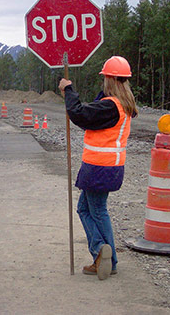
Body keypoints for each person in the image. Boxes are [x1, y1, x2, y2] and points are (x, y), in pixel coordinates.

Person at [58, 56, 138, 281]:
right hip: (111, 167)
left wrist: (69, 90)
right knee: (87, 208)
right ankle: (104, 256)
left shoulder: (110, 106)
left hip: (98, 168)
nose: (102, 82)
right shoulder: (122, 104)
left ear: (110, 79)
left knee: (95, 210)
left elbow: (80, 114)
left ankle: (103, 253)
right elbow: (91, 113)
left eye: (105, 78)